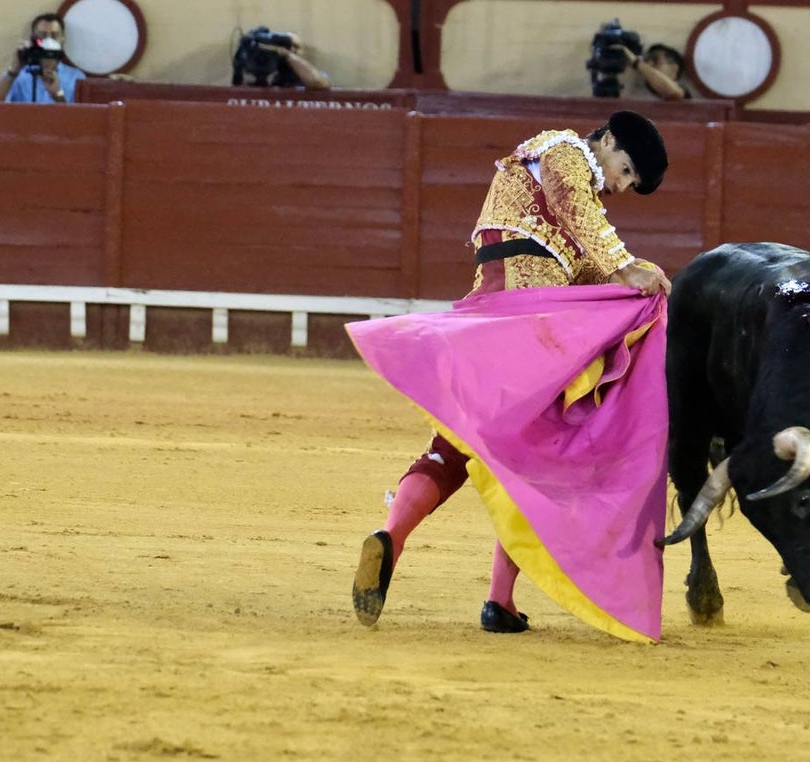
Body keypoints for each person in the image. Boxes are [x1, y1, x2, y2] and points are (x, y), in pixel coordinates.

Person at [349, 110, 671, 638]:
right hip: (528, 327)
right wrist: (625, 264)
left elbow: (588, 266)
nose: (623, 184)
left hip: (493, 315)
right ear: (606, 139)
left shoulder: (569, 188)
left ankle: (397, 537)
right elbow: (587, 227)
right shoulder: (564, 152)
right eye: (627, 169)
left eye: (632, 182)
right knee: (537, 459)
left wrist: (632, 285)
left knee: (460, 445)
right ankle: (496, 595)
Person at [0, 13, 86, 105]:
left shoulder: (76, 77)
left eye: (54, 36)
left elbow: (80, 118)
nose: (49, 40)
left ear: (63, 38)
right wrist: (13, 71)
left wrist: (58, 95)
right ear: (33, 38)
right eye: (43, 35)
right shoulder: (20, 74)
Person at [232, 29, 330, 90]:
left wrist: (286, 55)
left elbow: (318, 83)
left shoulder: (308, 74)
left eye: (294, 47)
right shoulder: (265, 69)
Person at [614, 43, 691, 101]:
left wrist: (636, 62)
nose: (649, 64)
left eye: (655, 60)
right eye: (646, 60)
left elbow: (673, 93)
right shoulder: (634, 89)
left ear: (674, 69)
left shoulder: (681, 93)